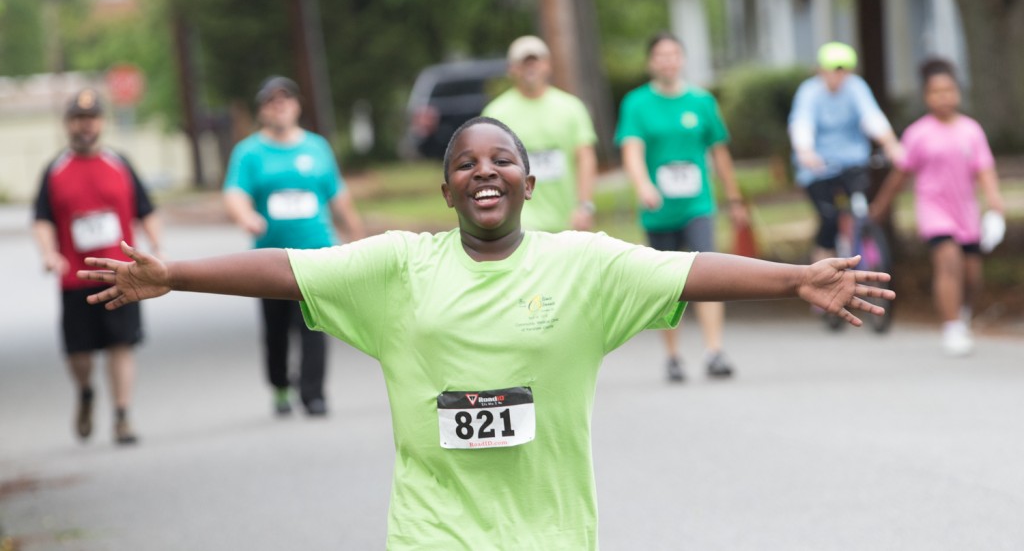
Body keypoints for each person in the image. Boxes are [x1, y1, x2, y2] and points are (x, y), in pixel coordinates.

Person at [79, 116, 893, 549]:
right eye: (465, 163)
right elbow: (287, 267)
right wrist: (175, 274)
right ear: (446, 189)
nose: (483, 172)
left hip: (551, 531)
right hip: (432, 530)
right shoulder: (398, 268)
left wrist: (795, 278)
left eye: (500, 159)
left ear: (529, 181)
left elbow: (687, 271)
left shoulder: (584, 265)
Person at [222, 76, 365, 416]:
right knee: (276, 329)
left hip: (316, 251)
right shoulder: (249, 152)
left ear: (297, 106)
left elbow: (338, 197)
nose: (279, 106)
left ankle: (314, 393)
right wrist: (245, 217)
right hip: (270, 256)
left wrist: (358, 239)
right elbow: (234, 193)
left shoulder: (317, 147)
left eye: (285, 99)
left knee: (315, 323)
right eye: (271, 101)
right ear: (262, 111)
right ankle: (281, 384)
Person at [32, 88, 162, 445]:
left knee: (122, 344)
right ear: (67, 124)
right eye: (77, 119)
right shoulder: (55, 170)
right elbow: (41, 220)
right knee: (80, 354)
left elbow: (146, 209)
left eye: (90, 119)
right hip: (75, 278)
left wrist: (155, 243)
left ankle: (122, 416)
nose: (84, 126)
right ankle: (86, 392)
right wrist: (48, 253)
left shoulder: (119, 164)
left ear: (101, 123)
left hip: (121, 273)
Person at [615, 31, 748, 382]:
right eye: (660, 55)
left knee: (709, 272)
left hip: (698, 204)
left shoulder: (702, 101)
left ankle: (715, 350)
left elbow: (719, 152)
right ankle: (673, 355)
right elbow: (631, 149)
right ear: (651, 62)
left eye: (674, 54)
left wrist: (733, 197)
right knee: (667, 284)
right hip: (658, 208)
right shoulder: (636, 103)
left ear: (683, 59)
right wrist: (643, 185)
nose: (668, 61)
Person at [870, 58, 1005, 356]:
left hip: (966, 213)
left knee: (972, 275)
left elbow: (984, 170)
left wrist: (995, 203)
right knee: (948, 261)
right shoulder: (918, 133)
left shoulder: (971, 130)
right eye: (936, 92)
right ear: (926, 96)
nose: (943, 97)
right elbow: (900, 175)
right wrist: (881, 205)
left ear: (958, 92)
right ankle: (952, 325)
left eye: (949, 90)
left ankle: (962, 311)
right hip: (935, 212)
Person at [788, 41, 903, 264]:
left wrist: (890, 143)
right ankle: (820, 275)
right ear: (821, 70)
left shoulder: (856, 87)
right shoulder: (809, 92)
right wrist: (805, 151)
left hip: (852, 162)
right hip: (819, 167)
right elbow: (802, 123)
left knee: (861, 210)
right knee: (829, 220)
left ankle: (866, 254)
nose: (839, 77)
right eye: (834, 70)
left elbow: (871, 116)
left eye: (844, 71)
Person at [482, 35, 598, 231]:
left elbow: (585, 157)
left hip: (567, 221)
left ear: (547, 65)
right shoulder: (495, 113)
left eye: (535, 62)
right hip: (519, 224)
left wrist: (584, 205)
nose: (530, 68)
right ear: (512, 69)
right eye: (523, 63)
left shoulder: (571, 107)